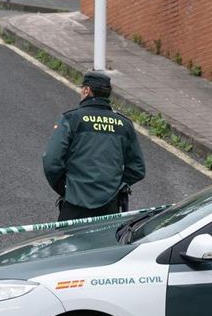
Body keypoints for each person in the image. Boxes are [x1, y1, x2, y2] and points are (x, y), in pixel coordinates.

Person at [44, 71, 146, 221]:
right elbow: (138, 168)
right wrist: (115, 187)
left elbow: (51, 161)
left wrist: (66, 188)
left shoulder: (71, 119)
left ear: (87, 90)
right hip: (109, 207)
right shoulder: (124, 124)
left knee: (68, 243)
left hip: (74, 204)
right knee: (105, 244)